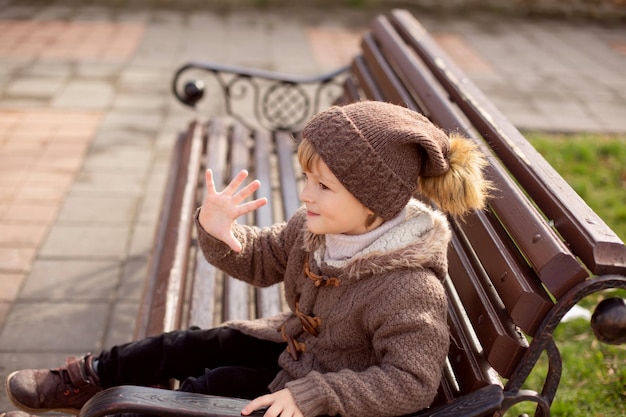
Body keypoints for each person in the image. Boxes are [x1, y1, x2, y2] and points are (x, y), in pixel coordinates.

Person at [3, 101, 491, 417]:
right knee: (191, 343)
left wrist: (316, 396)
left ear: (373, 201)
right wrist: (221, 232)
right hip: (297, 350)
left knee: (207, 388)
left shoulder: (408, 287)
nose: (305, 194)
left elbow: (412, 382)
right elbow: (261, 258)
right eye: (306, 178)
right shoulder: (318, 229)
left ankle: (126, 410)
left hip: (320, 395)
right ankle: (85, 380)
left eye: (323, 186)